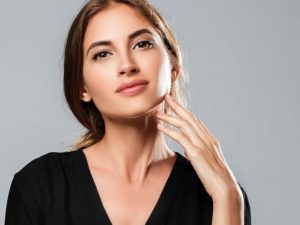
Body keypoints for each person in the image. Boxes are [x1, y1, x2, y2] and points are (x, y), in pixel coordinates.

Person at [5, 0, 251, 224]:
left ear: (174, 65)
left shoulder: (219, 193)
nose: (127, 65)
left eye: (142, 44)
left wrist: (228, 198)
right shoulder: (39, 186)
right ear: (82, 87)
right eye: (103, 54)